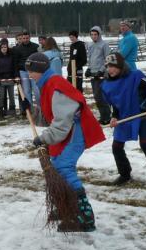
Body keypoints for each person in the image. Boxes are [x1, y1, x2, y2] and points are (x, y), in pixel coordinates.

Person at [27, 53, 106, 232]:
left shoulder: (56, 86)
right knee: (56, 167)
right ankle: (66, 207)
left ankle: (85, 218)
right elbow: (50, 117)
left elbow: (61, 124)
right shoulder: (47, 84)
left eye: (31, 71)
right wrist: (31, 110)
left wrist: (43, 138)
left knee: (63, 167)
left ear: (39, 69)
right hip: (68, 131)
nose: (29, 75)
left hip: (76, 131)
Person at [102, 53, 146, 185]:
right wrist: (114, 116)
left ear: (120, 66)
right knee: (116, 147)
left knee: (145, 143)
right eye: (107, 66)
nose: (110, 70)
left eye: (113, 66)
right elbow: (116, 103)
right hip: (124, 118)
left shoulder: (136, 76)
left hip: (142, 115)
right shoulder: (107, 84)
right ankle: (124, 174)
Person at [86, 26, 111, 124]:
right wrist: (88, 68)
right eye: (92, 35)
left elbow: (107, 59)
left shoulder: (104, 45)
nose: (93, 36)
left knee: (101, 96)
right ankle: (102, 116)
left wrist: (101, 70)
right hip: (93, 74)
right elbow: (90, 58)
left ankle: (107, 116)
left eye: (95, 34)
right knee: (96, 96)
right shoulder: (90, 45)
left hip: (102, 75)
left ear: (99, 34)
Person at [13, 31, 40, 115]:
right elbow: (15, 63)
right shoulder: (17, 49)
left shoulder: (36, 47)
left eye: (27, 38)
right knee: (26, 91)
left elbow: (39, 59)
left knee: (36, 91)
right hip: (23, 71)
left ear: (30, 37)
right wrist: (16, 75)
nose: (25, 40)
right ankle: (30, 109)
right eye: (24, 38)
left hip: (34, 71)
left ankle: (40, 108)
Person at [0, 38, 16, 118]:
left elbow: (14, 67)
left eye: (5, 47)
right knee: (2, 96)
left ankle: (12, 111)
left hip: (10, 79)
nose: (4, 48)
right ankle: (1, 112)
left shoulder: (11, 57)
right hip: (1, 80)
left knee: (11, 96)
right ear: (0, 48)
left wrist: (14, 77)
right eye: (2, 47)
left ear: (7, 48)